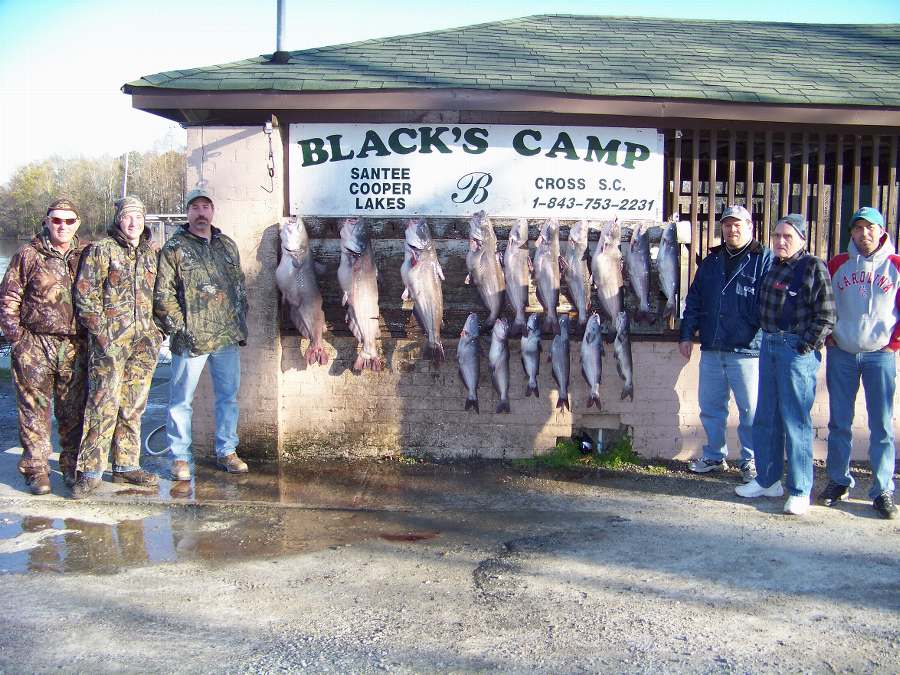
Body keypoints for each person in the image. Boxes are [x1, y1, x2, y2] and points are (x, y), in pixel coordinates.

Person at [736, 214, 835, 515]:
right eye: (777, 235)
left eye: (787, 237)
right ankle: (768, 481)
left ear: (802, 239)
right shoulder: (774, 265)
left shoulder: (813, 267)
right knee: (766, 416)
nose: (780, 241)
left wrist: (805, 346)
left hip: (795, 349)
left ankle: (800, 489)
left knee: (796, 422)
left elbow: (827, 315)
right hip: (769, 344)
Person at [70, 196, 163, 499]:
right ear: (119, 220)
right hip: (108, 346)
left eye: (138, 216)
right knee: (102, 404)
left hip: (143, 344)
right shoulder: (101, 250)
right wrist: (103, 335)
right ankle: (90, 471)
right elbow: (85, 296)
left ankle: (126, 465)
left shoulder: (151, 254)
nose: (133, 223)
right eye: (127, 217)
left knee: (133, 405)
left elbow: (160, 296)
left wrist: (158, 332)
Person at [154, 187, 249, 481]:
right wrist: (181, 327)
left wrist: (239, 322)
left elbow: (238, 286)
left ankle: (227, 451)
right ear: (187, 212)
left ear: (212, 211)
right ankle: (180, 457)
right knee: (181, 401)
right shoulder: (174, 248)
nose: (201, 212)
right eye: (195, 207)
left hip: (226, 338)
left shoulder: (227, 245)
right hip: (189, 342)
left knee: (228, 397)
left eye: (205, 207)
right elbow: (163, 294)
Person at [679, 205, 773, 483]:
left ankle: (751, 460)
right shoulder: (712, 262)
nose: (732, 230)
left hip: (748, 350)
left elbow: (769, 304)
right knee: (710, 407)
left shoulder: (763, 259)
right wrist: (686, 334)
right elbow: (694, 299)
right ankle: (713, 455)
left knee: (751, 410)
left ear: (750, 226)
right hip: (712, 347)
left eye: (738, 224)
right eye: (727, 224)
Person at [0, 198, 88, 494]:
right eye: (56, 220)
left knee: (73, 412)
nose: (62, 226)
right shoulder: (28, 254)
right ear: (47, 221)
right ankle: (36, 470)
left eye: (68, 221)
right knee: (34, 411)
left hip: (74, 346)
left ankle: (72, 467)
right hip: (34, 345)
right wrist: (18, 339)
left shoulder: (87, 254)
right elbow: (8, 299)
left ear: (78, 224)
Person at [820, 207, 898, 519]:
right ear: (850, 232)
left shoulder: (895, 266)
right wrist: (828, 334)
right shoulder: (837, 264)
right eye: (858, 229)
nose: (864, 234)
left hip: (880, 355)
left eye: (870, 228)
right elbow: (823, 302)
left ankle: (882, 490)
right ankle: (838, 481)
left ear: (881, 230)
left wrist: (894, 344)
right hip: (843, 353)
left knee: (881, 425)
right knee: (840, 422)